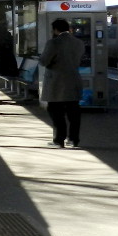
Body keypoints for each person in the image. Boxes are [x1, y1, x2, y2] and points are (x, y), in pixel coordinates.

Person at [39, 18, 84, 148]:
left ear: (55, 30)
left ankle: (59, 140)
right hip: (74, 80)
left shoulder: (53, 43)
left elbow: (44, 61)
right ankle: (74, 139)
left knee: (55, 110)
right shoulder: (79, 43)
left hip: (56, 83)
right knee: (73, 112)